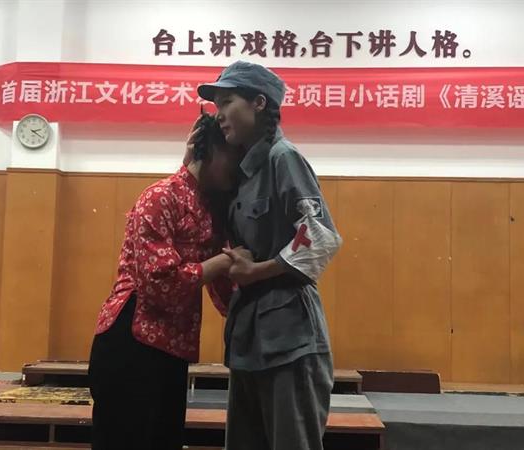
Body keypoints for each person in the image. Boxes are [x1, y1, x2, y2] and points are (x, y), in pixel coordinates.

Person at [197, 61, 343, 450]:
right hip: (249, 338)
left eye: (227, 102)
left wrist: (258, 270)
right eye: (216, 105)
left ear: (259, 103)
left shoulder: (283, 157)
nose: (219, 114)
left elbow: (320, 237)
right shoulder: (242, 171)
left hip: (289, 337)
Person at [88, 114, 244, 450]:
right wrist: (221, 262)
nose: (238, 168)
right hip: (131, 339)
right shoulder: (159, 196)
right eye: (234, 156)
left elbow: (223, 291)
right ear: (211, 150)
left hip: (172, 348)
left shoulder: (211, 209)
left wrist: (251, 311)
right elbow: (158, 283)